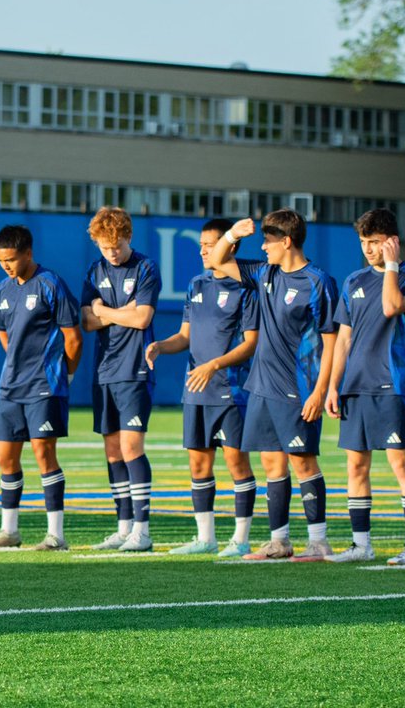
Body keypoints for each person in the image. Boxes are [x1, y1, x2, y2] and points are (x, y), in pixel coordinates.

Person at [212, 210, 337, 561]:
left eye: (268, 241)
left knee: (302, 462)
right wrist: (234, 234)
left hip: (299, 388)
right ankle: (279, 541)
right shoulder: (264, 273)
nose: (263, 247)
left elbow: (331, 341)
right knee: (271, 463)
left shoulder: (318, 281)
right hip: (262, 386)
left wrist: (320, 389)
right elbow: (219, 259)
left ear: (286, 242)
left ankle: (319, 542)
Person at [146, 218, 260, 557]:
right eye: (201, 244)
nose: (203, 250)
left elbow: (251, 343)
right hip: (196, 389)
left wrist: (215, 365)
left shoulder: (247, 287)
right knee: (199, 465)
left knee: (238, 465)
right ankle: (205, 538)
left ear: (230, 246)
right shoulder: (196, 284)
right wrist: (160, 347)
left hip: (232, 390)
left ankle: (240, 539)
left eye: (209, 244)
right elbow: (184, 336)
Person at [324, 208, 405, 566]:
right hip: (355, 387)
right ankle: (360, 545)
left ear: (391, 241)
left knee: (401, 465)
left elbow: (390, 306)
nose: (368, 250)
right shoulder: (352, 281)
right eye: (364, 243)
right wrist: (332, 386)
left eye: (375, 243)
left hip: (391, 384)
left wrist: (391, 266)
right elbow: (343, 340)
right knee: (356, 467)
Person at [0, 225, 82, 551]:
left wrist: (65, 376)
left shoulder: (51, 284)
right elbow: (4, 333)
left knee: (43, 454)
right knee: (5, 458)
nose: (6, 265)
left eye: (10, 259)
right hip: (10, 386)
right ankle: (10, 532)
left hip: (45, 385)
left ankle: (56, 535)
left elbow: (73, 338)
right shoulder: (2, 290)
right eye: (0, 260)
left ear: (28, 254)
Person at [80, 206, 161, 552]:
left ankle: (142, 531)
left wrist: (102, 311)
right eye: (104, 246)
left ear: (128, 236)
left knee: (131, 449)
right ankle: (123, 527)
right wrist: (117, 313)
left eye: (116, 244)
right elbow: (85, 321)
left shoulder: (145, 268)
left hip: (134, 370)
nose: (111, 252)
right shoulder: (94, 270)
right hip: (104, 370)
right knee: (113, 453)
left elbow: (142, 319)